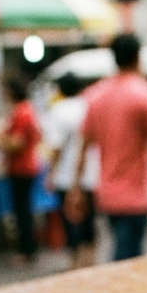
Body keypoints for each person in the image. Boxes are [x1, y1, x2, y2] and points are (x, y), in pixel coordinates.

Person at [67, 34, 147, 262]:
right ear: (138, 56)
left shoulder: (96, 95)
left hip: (106, 192)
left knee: (123, 247)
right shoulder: (145, 94)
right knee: (128, 256)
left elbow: (83, 146)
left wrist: (76, 188)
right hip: (136, 195)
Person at [44, 74, 100, 269]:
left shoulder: (58, 111)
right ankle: (91, 261)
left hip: (66, 177)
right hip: (91, 174)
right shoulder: (89, 106)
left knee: (71, 222)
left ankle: (75, 265)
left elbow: (56, 147)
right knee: (90, 221)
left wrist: (50, 174)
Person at [0, 77, 42, 268]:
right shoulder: (25, 110)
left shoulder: (22, 112)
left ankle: (27, 250)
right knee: (23, 210)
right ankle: (27, 248)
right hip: (24, 166)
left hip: (22, 167)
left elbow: (17, 142)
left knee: (22, 211)